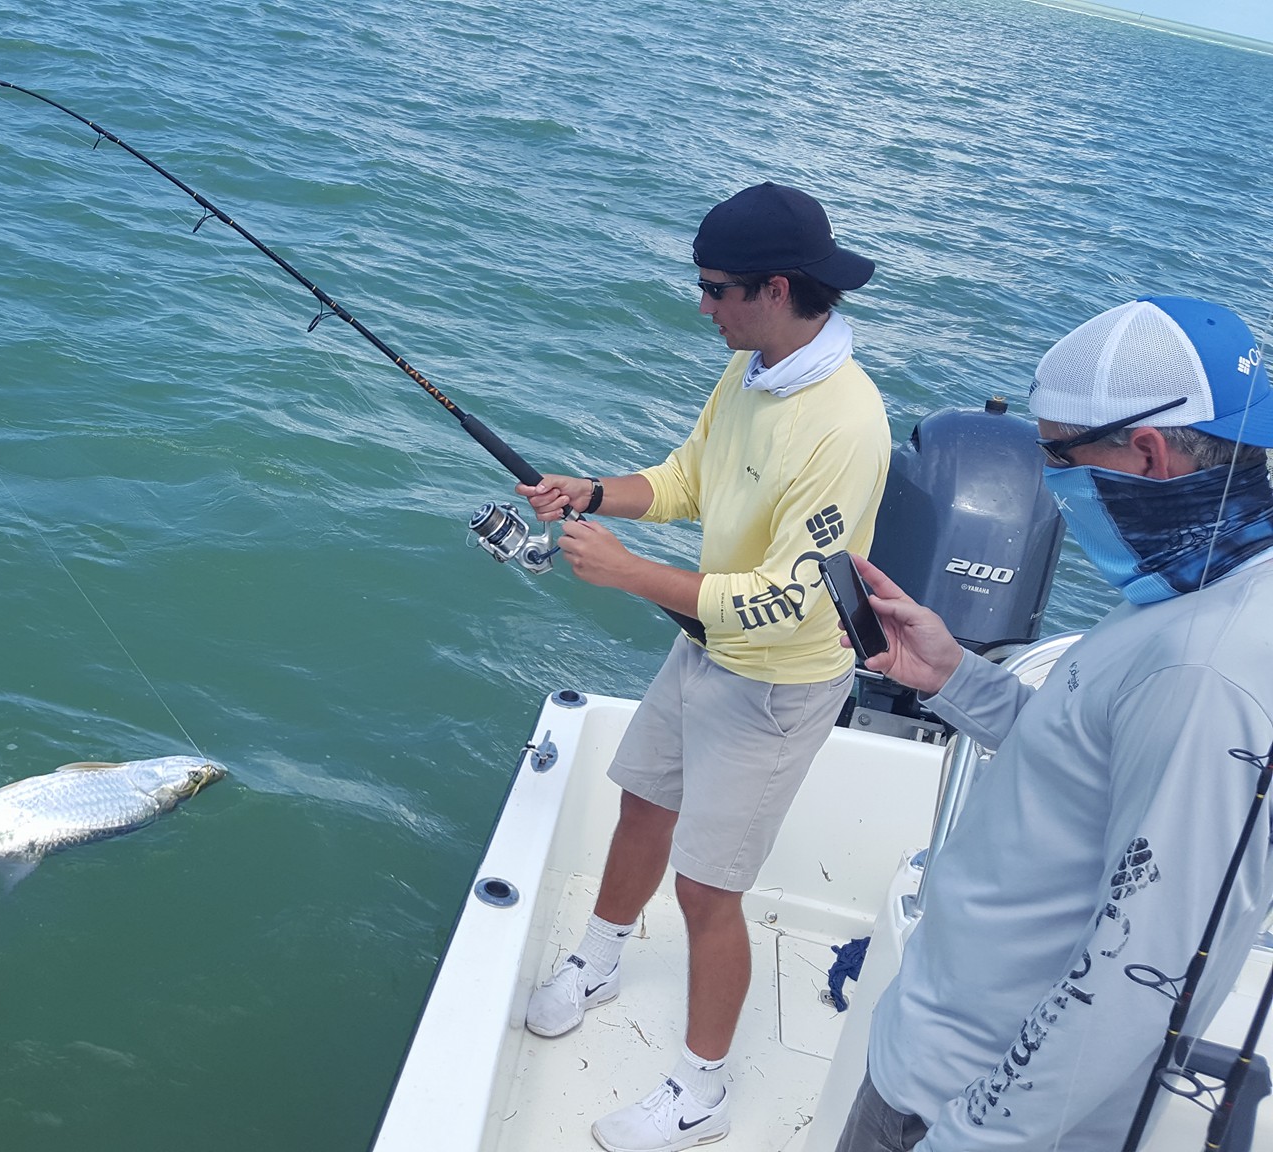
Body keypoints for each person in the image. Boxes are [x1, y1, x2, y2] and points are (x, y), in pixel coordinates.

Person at [835, 296, 1273, 1151]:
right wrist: (954, 677)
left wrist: (968, 1138)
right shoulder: (1199, 585)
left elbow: (1144, 969)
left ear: (1145, 452)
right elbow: (1085, 766)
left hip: (955, 1110)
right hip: (933, 1061)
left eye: (1058, 456)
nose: (1051, 480)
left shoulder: (1206, 666)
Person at [515, 181, 890, 1152]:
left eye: (715, 288)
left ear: (775, 288)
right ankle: (599, 959)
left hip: (776, 687)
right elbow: (688, 478)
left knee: (707, 890)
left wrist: (629, 573)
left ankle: (700, 1091)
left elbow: (791, 596)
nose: (701, 305)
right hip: (703, 649)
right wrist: (592, 491)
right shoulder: (752, 371)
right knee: (642, 802)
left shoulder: (846, 426)